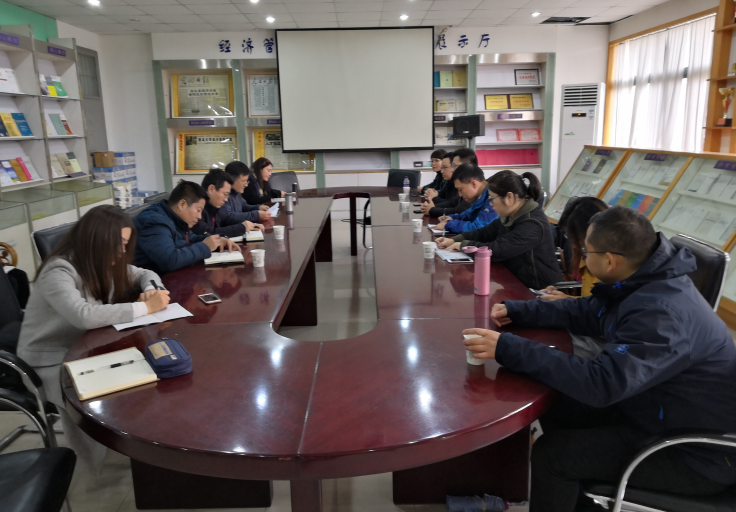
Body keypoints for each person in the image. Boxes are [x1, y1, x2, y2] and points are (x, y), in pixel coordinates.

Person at [463, 206, 736, 512]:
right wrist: (518, 310)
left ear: (609, 261)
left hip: (694, 453)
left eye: (585, 251)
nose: (580, 257)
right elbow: (588, 311)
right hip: (652, 408)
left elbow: (602, 384)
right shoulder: (642, 280)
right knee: (556, 400)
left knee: (553, 456)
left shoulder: (662, 314)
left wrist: (509, 348)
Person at [17, 205, 171, 472]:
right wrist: (145, 307)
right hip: (49, 360)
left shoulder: (104, 263)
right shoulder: (59, 270)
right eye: (119, 244)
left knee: (146, 371)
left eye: (125, 245)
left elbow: (145, 273)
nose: (122, 252)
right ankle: (96, 461)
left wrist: (151, 290)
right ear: (98, 239)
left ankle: (132, 442)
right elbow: (84, 316)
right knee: (116, 383)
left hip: (86, 348)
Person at [437, 171, 561, 289]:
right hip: (515, 282)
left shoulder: (532, 223)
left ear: (509, 197)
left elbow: (499, 249)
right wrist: (454, 240)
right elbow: (484, 232)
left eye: (492, 198)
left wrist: (463, 245)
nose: (490, 204)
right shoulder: (511, 214)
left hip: (539, 291)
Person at [134, 180, 240, 275]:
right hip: (154, 284)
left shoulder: (176, 218)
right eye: (198, 210)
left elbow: (190, 239)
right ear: (182, 204)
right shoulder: (155, 222)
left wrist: (216, 241)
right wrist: (205, 247)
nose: (199, 217)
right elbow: (170, 260)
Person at [541, 196, 609, 299]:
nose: (573, 245)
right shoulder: (586, 255)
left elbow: (599, 305)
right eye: (569, 237)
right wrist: (564, 298)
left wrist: (566, 300)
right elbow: (588, 301)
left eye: (577, 238)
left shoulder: (610, 265)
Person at [191, 168, 264, 238]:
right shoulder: (196, 209)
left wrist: (250, 225)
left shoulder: (214, 208)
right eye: (225, 194)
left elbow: (226, 220)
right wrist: (241, 228)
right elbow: (208, 233)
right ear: (211, 189)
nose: (226, 200)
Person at [432, 164, 498, 234]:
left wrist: (448, 224)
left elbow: (479, 228)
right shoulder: (480, 196)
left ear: (473, 184)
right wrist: (453, 218)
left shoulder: (493, 198)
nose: (460, 195)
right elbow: (470, 213)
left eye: (460, 189)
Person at [421, 152, 459, 216]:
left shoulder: (461, 184)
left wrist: (432, 207)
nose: (441, 171)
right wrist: (430, 206)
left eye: (444, 167)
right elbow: (443, 197)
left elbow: (453, 204)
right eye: (442, 168)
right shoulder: (449, 181)